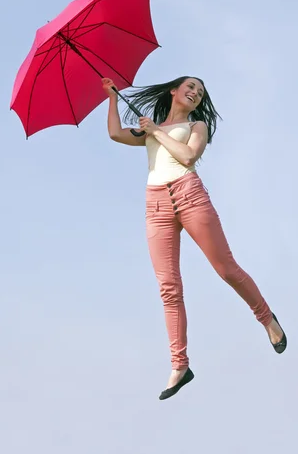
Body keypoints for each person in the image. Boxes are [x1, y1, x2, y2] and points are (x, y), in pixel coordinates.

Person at [102, 75, 287, 400]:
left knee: (226, 269)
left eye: (200, 93)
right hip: (156, 204)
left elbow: (188, 157)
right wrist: (112, 98)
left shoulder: (196, 126)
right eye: (191, 87)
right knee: (168, 287)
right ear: (174, 90)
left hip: (190, 196)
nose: (195, 94)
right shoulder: (150, 129)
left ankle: (266, 317)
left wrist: (157, 131)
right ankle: (179, 364)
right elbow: (116, 133)